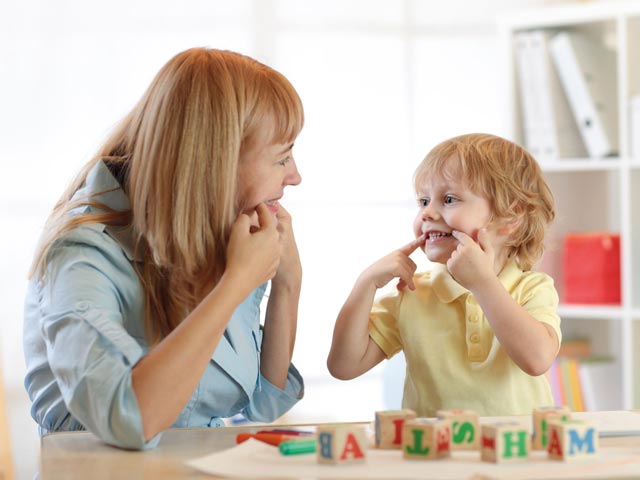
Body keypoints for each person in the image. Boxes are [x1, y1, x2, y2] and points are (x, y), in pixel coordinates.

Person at [23, 48, 305, 450]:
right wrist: (235, 284)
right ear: (217, 163)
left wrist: (287, 283)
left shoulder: (218, 232)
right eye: (282, 158)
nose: (295, 176)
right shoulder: (80, 254)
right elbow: (130, 419)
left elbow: (264, 400)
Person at [327, 133, 560, 417]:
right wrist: (365, 284)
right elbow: (343, 366)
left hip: (515, 452)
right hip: (432, 455)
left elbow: (537, 359)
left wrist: (482, 282)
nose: (427, 213)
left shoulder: (533, 288)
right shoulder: (412, 293)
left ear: (511, 217)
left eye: (449, 199)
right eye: (423, 201)